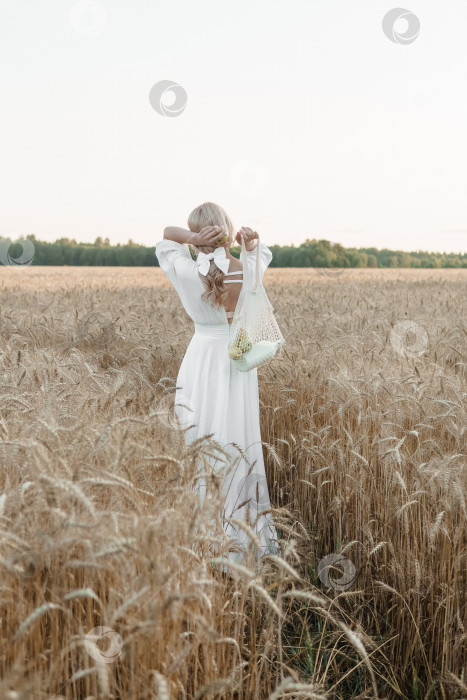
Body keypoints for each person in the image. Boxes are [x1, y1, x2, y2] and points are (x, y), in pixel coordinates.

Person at [155, 201, 279, 566]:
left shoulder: (183, 268)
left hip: (200, 359)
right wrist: (249, 245)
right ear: (227, 228)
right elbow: (259, 255)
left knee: (198, 437)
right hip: (235, 360)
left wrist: (190, 237)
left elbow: (165, 237)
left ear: (197, 235)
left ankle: (201, 533)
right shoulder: (247, 268)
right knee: (237, 437)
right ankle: (242, 534)